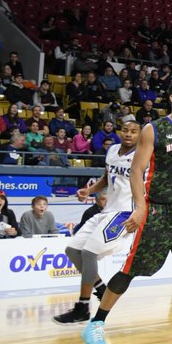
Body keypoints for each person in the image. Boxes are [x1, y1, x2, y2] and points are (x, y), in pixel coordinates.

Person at [80, 79, 172, 344]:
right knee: (131, 269)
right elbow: (136, 171)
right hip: (158, 209)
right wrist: (140, 206)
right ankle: (96, 323)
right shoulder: (153, 129)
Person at [54, 117, 143, 324]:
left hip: (124, 213)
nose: (128, 134)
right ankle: (101, 288)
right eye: (125, 130)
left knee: (88, 253)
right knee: (72, 251)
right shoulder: (112, 150)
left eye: (134, 131)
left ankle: (82, 307)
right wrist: (90, 190)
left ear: (141, 135)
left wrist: (141, 213)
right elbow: (106, 178)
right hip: (106, 210)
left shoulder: (143, 156)